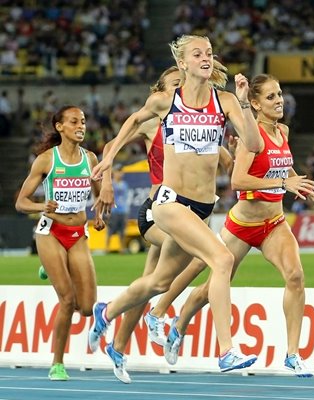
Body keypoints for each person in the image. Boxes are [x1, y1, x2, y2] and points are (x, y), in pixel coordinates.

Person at [88, 34, 262, 373]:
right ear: (183, 63)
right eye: (197, 54)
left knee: (159, 282)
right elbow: (133, 121)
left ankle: (105, 312)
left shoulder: (224, 100)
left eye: (209, 52)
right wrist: (109, 159)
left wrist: (243, 103)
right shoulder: (166, 101)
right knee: (222, 259)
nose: (205, 58)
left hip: (201, 206)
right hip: (169, 202)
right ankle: (227, 350)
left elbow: (253, 144)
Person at [147, 74, 314, 377]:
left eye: (280, 94)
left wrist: (309, 192)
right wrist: (283, 182)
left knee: (296, 276)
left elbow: (285, 168)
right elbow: (238, 181)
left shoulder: (283, 131)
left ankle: (292, 354)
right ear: (256, 104)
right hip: (242, 224)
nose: (279, 100)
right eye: (272, 97)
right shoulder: (252, 137)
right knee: (210, 286)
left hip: (274, 223)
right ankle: (179, 325)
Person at [97, 66, 234, 383]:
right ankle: (158, 315)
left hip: (191, 209)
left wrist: (236, 155)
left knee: (151, 282)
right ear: (160, 90)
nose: (183, 88)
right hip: (158, 208)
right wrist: (105, 183)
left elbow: (227, 159)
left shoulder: (198, 122)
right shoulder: (152, 120)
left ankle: (118, 344)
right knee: (206, 256)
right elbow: (109, 147)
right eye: (176, 84)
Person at [14, 106, 108, 380]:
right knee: (67, 300)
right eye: (74, 121)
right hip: (51, 232)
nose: (81, 126)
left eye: (83, 122)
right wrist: (42, 205)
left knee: (88, 307)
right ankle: (57, 364)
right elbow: (21, 203)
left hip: (78, 232)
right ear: (60, 127)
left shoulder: (90, 159)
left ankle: (49, 269)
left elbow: (99, 194)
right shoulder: (46, 160)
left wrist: (99, 215)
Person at [104, 167, 130, 253]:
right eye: (118, 172)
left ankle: (122, 248)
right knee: (110, 230)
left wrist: (127, 211)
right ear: (114, 173)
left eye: (121, 172)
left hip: (123, 211)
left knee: (122, 231)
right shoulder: (111, 184)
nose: (119, 174)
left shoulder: (125, 185)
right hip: (114, 211)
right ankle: (107, 248)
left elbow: (126, 199)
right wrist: (107, 211)